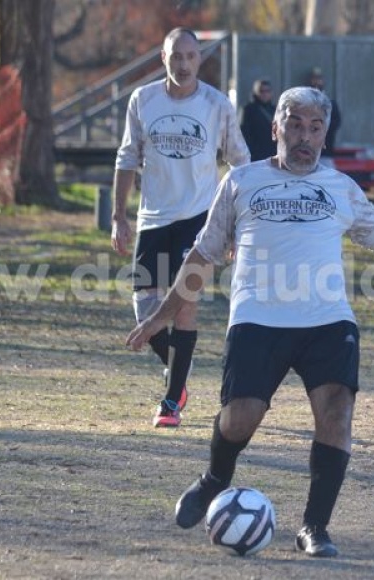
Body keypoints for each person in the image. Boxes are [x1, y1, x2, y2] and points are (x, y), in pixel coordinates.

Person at [126, 87, 374, 558]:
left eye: (315, 128)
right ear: (276, 128)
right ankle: (215, 477)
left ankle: (315, 527)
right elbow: (201, 256)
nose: (305, 137)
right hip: (258, 319)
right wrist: (161, 317)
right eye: (296, 125)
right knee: (240, 419)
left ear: (325, 134)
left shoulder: (342, 188)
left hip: (326, 320)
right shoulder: (242, 181)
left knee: (337, 412)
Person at [111, 27, 251, 429]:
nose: (184, 64)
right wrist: (119, 215)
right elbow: (126, 158)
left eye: (191, 56)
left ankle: (171, 401)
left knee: (185, 306)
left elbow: (240, 162)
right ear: (163, 58)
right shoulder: (143, 100)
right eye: (177, 56)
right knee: (146, 308)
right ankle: (179, 376)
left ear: (199, 59)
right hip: (153, 217)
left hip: (200, 219)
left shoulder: (216, 104)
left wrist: (235, 225)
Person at [307, 67, 341, 167]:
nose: (317, 82)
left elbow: (336, 122)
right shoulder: (304, 103)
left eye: (319, 79)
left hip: (326, 152)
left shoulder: (331, 103)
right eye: (314, 79)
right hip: (308, 152)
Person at [239, 78, 277, 162]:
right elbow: (244, 133)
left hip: (272, 155)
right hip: (255, 157)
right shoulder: (248, 110)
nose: (265, 94)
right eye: (261, 91)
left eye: (267, 91)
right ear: (255, 92)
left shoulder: (275, 110)